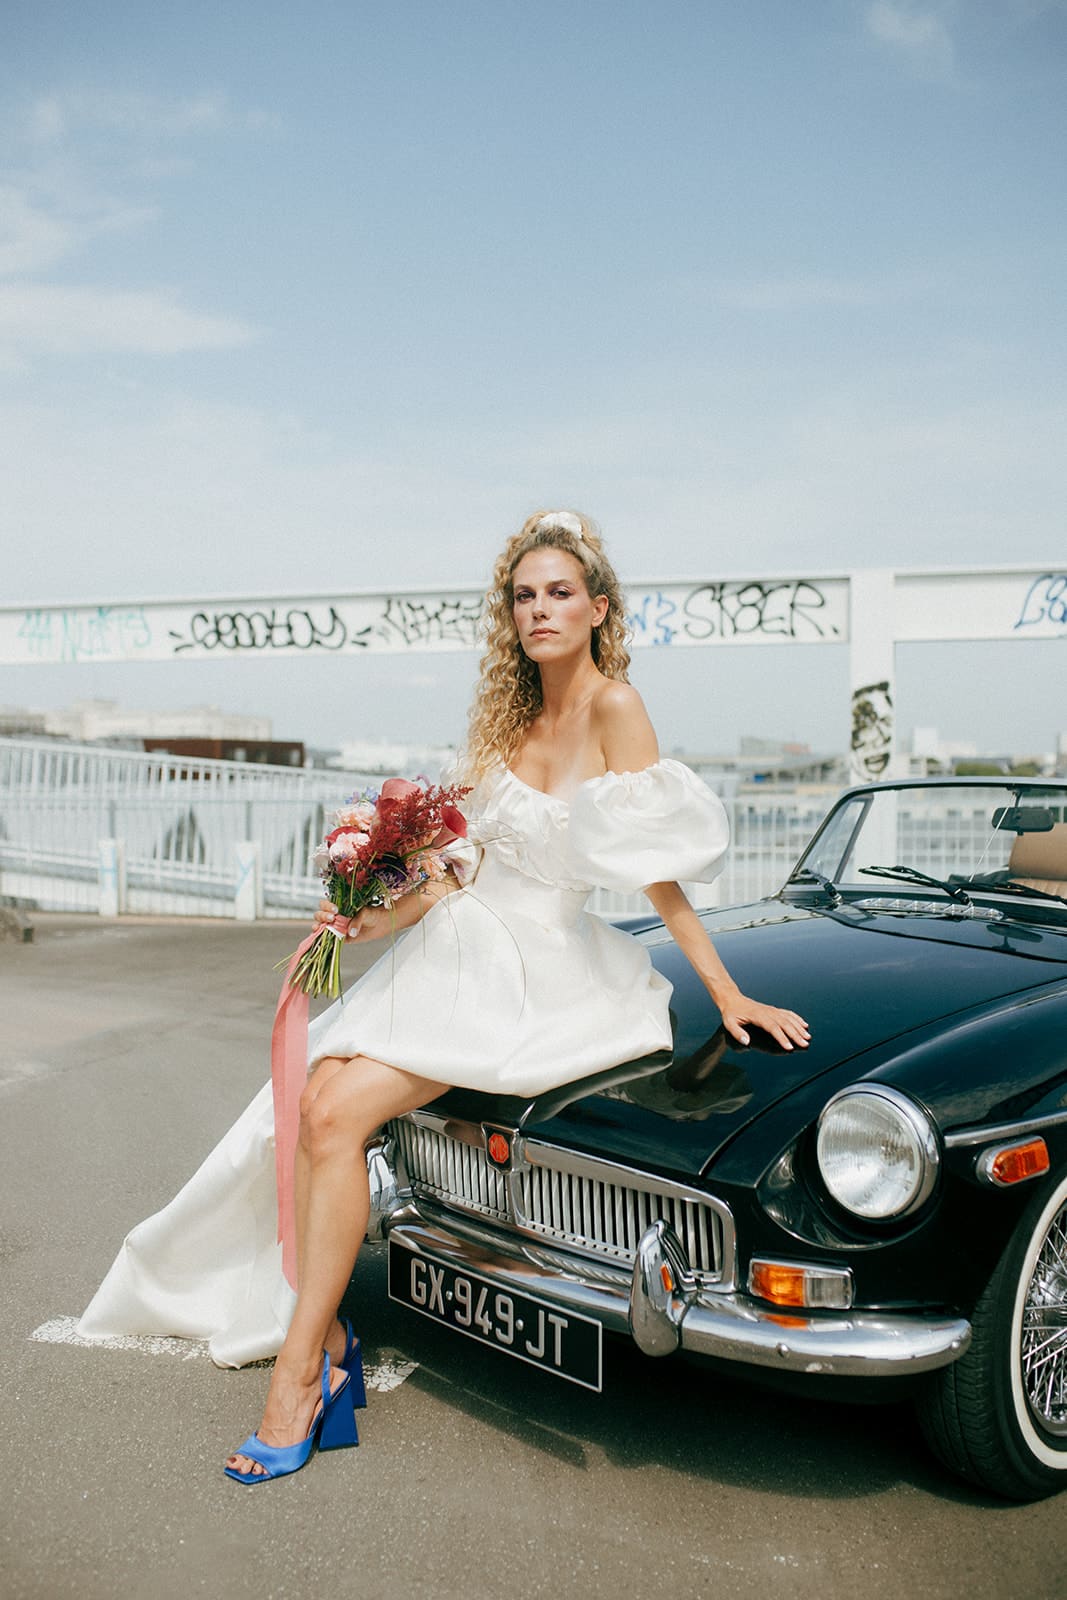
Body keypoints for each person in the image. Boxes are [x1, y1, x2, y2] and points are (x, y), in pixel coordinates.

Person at [78, 509, 809, 1484]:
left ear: (598, 607)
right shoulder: (506, 717)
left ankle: (301, 1374)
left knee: (334, 1107)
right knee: (314, 1100)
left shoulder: (613, 707)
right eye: (523, 595)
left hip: (537, 971)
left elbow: (657, 868)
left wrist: (724, 989)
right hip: (455, 947)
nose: (539, 609)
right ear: (508, 615)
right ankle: (320, 1340)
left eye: (559, 592)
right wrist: (359, 919)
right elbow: (459, 870)